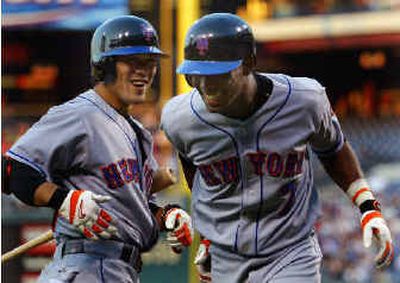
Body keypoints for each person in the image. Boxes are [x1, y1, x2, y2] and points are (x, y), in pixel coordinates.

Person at [160, 13, 394, 283]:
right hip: (226, 259)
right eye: (196, 76)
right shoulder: (180, 118)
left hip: (290, 251)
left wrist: (369, 207)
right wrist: (209, 238)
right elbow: (195, 167)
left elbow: (333, 149)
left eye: (218, 75)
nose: (206, 85)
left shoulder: (304, 100)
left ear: (249, 63)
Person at [3, 15, 193, 282]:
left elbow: (128, 208)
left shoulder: (138, 132)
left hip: (118, 268)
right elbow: (10, 170)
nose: (144, 72)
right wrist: (64, 200)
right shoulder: (80, 114)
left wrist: (167, 215)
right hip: (86, 265)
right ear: (105, 66)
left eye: (149, 63)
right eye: (133, 62)